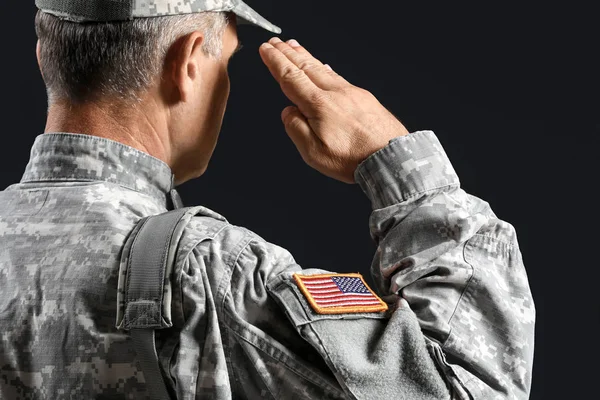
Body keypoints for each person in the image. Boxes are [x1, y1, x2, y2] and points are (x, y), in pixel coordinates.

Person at [0, 1, 535, 399]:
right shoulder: (209, 274)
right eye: (225, 63)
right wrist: (409, 176)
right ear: (187, 63)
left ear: (45, 54)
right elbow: (468, 386)